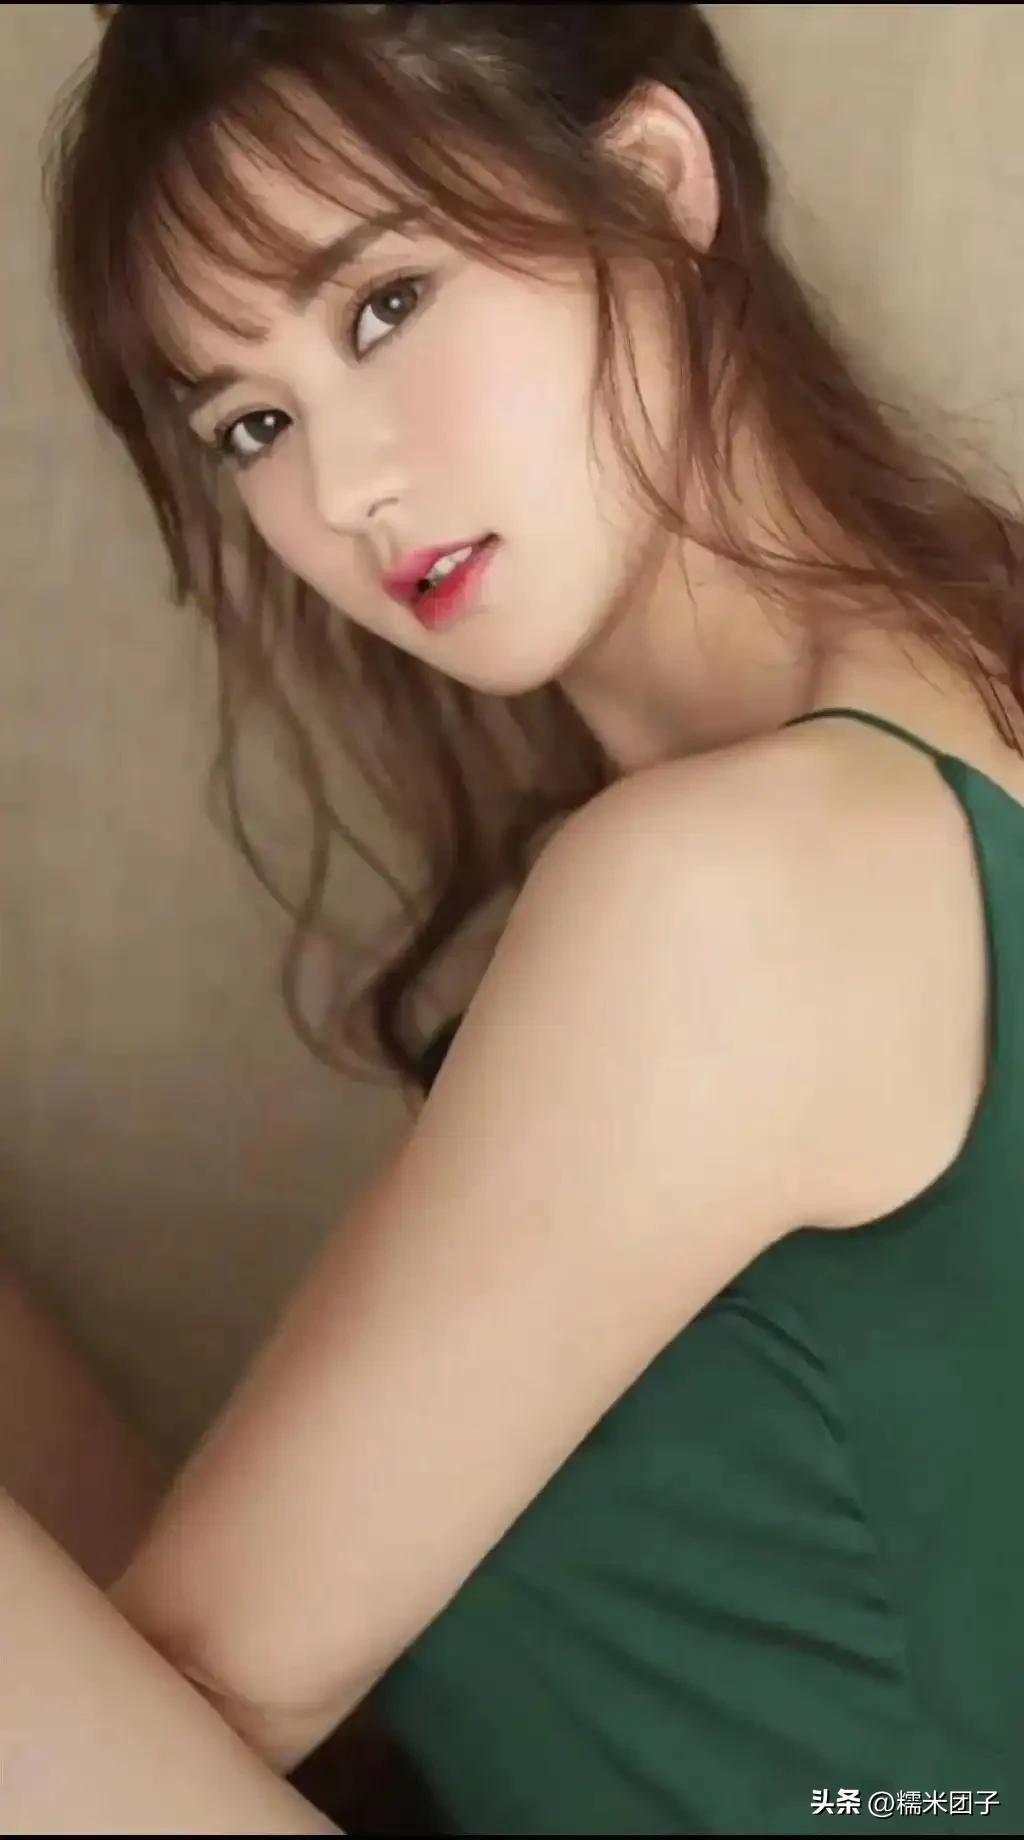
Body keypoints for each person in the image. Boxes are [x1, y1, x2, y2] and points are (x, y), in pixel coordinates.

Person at [39, 3, 1023, 1832]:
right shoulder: (951, 706)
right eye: (252, 422)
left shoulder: (735, 899)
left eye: (385, 306)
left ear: (654, 186)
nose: (342, 492)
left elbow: (180, 1718)